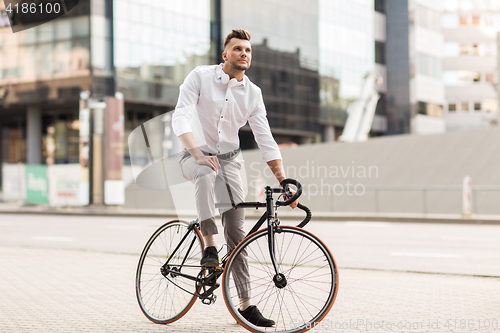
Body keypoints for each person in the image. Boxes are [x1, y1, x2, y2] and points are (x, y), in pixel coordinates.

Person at [172, 28, 297, 327]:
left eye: (248, 50)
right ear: (225, 54)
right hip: (194, 155)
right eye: (238, 48)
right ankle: (210, 247)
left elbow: (265, 139)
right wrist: (198, 152)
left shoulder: (253, 94)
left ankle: (245, 304)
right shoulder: (200, 77)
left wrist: (283, 181)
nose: (244, 53)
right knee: (203, 172)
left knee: (238, 235)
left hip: (230, 162)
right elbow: (180, 116)